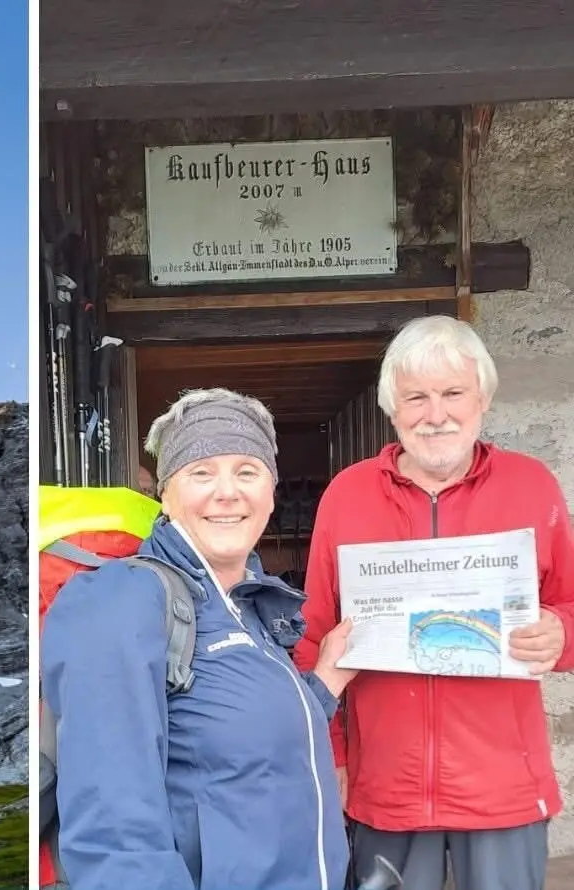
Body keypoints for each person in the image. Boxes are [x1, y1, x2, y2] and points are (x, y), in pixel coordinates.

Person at [293, 314, 574, 890]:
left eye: (452, 393)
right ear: (392, 408)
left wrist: (560, 634)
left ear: (483, 400)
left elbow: (569, 606)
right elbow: (312, 636)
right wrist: (333, 756)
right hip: (388, 789)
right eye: (416, 397)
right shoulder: (347, 494)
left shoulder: (532, 486)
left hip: (502, 789)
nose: (436, 414)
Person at [41, 387, 358, 890]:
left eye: (247, 472)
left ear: (271, 493)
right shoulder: (123, 600)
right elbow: (114, 838)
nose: (227, 492)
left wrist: (326, 681)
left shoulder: (248, 609)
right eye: (201, 472)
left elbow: (242, 746)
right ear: (165, 494)